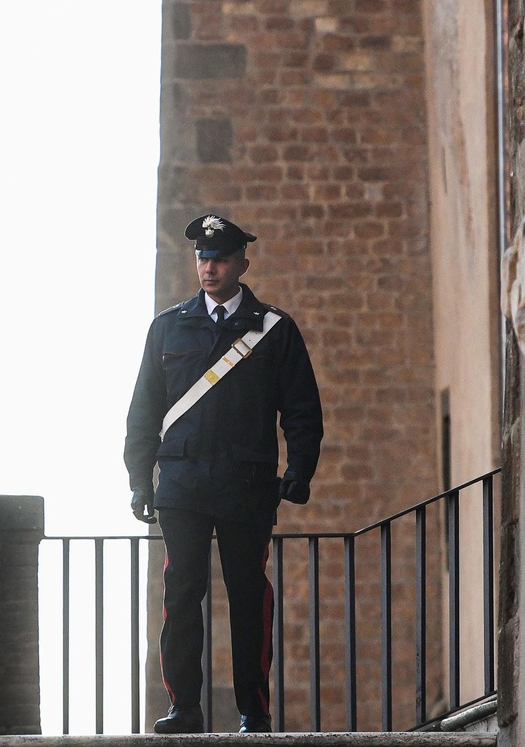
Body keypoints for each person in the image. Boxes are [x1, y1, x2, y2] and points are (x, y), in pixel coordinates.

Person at [124, 213, 324, 734]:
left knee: (248, 599)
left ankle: (254, 712)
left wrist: (300, 471)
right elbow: (144, 412)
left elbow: (301, 410)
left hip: (247, 484)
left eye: (218, 259)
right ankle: (183, 708)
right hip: (184, 485)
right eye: (201, 258)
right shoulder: (168, 327)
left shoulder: (274, 329)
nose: (208, 268)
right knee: (181, 596)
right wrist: (139, 480)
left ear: (241, 264)